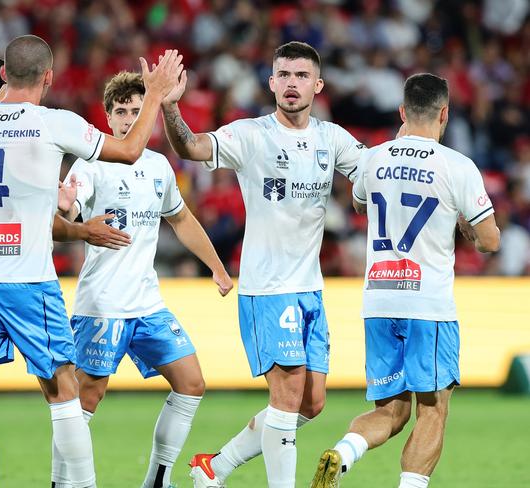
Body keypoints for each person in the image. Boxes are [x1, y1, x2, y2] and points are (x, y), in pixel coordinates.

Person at [0, 35, 182, 488]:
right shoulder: (53, 123)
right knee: (64, 392)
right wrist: (155, 94)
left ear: (3, 74)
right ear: (48, 77)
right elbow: (128, 151)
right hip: (27, 280)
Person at [160, 41, 366, 488]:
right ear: (271, 82)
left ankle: (214, 466)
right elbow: (191, 147)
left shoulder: (332, 139)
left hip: (310, 288)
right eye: (284, 76)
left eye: (301, 76)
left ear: (318, 85)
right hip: (268, 288)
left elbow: (371, 173)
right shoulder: (251, 134)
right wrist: (171, 108)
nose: (292, 84)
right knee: (287, 397)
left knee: (311, 403)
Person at [310, 73, 500, 488]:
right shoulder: (457, 166)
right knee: (433, 409)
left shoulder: (374, 159)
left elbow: (361, 205)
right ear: (444, 113)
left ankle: (341, 454)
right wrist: (465, 226)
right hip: (427, 306)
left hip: (378, 302)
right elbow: (489, 240)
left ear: (402, 112)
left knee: (391, 413)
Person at [52, 71, 233, 488]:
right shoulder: (90, 163)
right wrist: (66, 207)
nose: (131, 119)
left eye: (138, 110)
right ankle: (62, 483)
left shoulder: (158, 167)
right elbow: (70, 210)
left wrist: (217, 266)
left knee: (191, 382)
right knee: (85, 399)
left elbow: (182, 219)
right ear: (108, 118)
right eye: (122, 111)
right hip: (102, 305)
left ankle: (157, 480)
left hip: (147, 303)